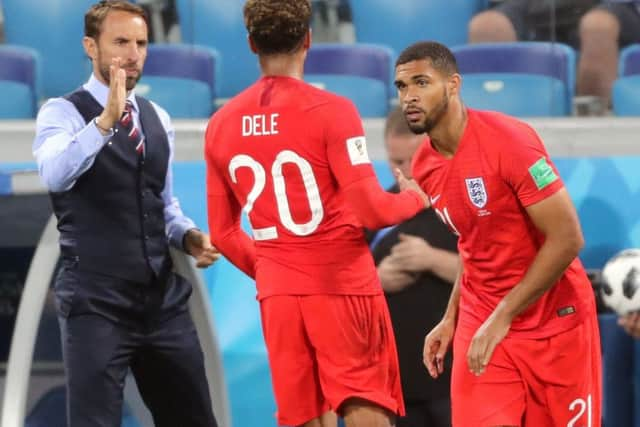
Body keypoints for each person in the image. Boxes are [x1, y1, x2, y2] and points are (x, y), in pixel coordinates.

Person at [204, 1, 430, 426]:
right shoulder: (334, 112)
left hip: (279, 295)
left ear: (252, 44)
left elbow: (223, 232)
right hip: (341, 284)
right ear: (308, 39)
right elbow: (371, 209)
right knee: (365, 403)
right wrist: (416, 198)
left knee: (304, 414)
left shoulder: (221, 124)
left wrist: (278, 269)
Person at [394, 41, 602, 427]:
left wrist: (503, 315)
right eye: (402, 87)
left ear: (453, 85)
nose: (409, 97)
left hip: (555, 323)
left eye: (421, 82)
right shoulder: (425, 164)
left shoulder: (510, 141)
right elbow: (473, 242)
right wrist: (452, 317)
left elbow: (568, 238)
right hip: (484, 324)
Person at [32, 2, 220, 426]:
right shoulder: (61, 112)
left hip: (161, 301)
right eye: (120, 42)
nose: (133, 53)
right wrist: (104, 122)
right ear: (90, 47)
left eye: (141, 43)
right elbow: (55, 174)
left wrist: (189, 238)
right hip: (96, 302)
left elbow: (163, 204)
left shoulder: (158, 118)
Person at [368, 107, 459, 427]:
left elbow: (498, 273)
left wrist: (432, 259)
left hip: (456, 380)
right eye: (396, 162)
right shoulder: (376, 209)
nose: (406, 172)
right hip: (396, 381)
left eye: (413, 160)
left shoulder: (463, 202)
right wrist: (375, 280)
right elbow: (335, 280)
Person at [467, 0, 640, 112]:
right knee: (487, 27)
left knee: (598, 27)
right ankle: (502, 131)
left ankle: (601, 124)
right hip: (537, 4)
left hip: (612, 5)